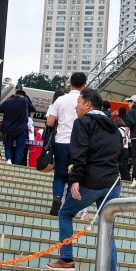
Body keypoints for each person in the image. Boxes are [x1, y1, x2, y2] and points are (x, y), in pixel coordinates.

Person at [46, 88, 121, 271]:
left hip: (90, 181)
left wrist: (75, 179)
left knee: (65, 214)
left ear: (88, 105)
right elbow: (121, 156)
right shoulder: (114, 128)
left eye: (79, 102)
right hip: (113, 183)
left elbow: (79, 152)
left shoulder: (83, 123)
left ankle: (67, 259)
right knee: (108, 231)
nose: (76, 105)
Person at [44, 71, 85, 215]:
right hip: (78, 144)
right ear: (84, 86)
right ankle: (67, 206)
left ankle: (56, 197)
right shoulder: (84, 102)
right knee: (73, 176)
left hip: (61, 142)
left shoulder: (60, 100)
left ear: (70, 84)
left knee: (60, 174)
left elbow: (50, 121)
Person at [0, 89, 32, 164]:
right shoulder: (25, 101)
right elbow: (33, 109)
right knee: (20, 148)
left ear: (15, 94)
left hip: (9, 128)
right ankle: (17, 164)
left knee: (8, 146)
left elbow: (0, 108)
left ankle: (9, 160)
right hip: (21, 129)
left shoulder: (8, 101)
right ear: (23, 95)